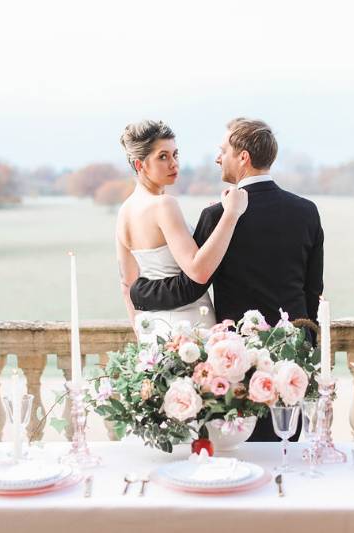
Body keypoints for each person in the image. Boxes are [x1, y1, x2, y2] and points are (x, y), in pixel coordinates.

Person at [130, 117, 324, 441]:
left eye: (223, 151)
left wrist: (140, 290)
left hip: (237, 360)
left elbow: (191, 286)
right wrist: (305, 350)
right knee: (285, 448)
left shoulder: (216, 216)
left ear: (243, 157)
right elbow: (312, 289)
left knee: (240, 455)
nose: (218, 157)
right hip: (292, 353)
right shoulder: (307, 211)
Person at [115, 120, 248, 336]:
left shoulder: (124, 212)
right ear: (140, 165)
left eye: (175, 154)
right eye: (163, 157)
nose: (174, 164)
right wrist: (231, 214)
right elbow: (198, 271)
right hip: (190, 325)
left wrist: (144, 338)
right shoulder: (164, 205)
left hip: (153, 329)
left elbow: (126, 284)